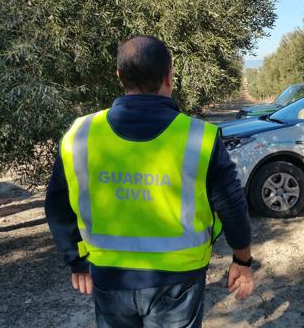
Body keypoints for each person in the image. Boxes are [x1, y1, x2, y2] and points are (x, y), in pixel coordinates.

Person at [45, 35, 254, 327]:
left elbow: (57, 204)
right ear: (169, 76)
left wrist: (75, 258)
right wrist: (242, 260)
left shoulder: (80, 134)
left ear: (119, 76)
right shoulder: (199, 137)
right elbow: (232, 205)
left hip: (109, 277)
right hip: (179, 281)